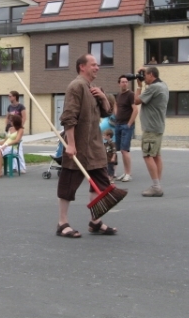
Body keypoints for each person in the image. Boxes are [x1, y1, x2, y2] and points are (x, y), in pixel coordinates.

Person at [56, 54, 117, 238]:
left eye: (97, 65)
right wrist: (71, 145)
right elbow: (68, 117)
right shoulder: (76, 86)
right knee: (68, 185)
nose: (97, 67)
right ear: (82, 67)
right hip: (79, 146)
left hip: (95, 146)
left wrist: (103, 97)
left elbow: (107, 112)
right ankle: (62, 223)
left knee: (101, 184)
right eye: (93, 64)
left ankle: (95, 221)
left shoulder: (92, 88)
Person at [134, 66, 169, 197]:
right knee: (156, 155)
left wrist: (139, 86)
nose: (144, 78)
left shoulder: (154, 88)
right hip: (158, 127)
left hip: (150, 129)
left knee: (147, 155)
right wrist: (146, 68)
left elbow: (136, 101)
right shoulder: (163, 85)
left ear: (151, 75)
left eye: (145, 75)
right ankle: (157, 184)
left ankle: (156, 187)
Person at [114, 75, 139, 182]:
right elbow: (116, 104)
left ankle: (128, 174)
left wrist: (129, 123)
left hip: (126, 126)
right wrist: (116, 114)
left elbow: (135, 110)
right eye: (122, 82)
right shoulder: (119, 94)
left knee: (125, 150)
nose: (124, 83)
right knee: (120, 150)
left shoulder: (130, 95)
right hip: (118, 124)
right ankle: (124, 172)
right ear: (119, 83)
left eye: (126, 82)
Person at [0, 115, 24, 179]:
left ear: (16, 121)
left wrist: (6, 145)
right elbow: (4, 141)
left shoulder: (20, 129)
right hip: (5, 146)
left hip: (12, 147)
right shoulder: (10, 129)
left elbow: (17, 140)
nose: (10, 122)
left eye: (12, 120)